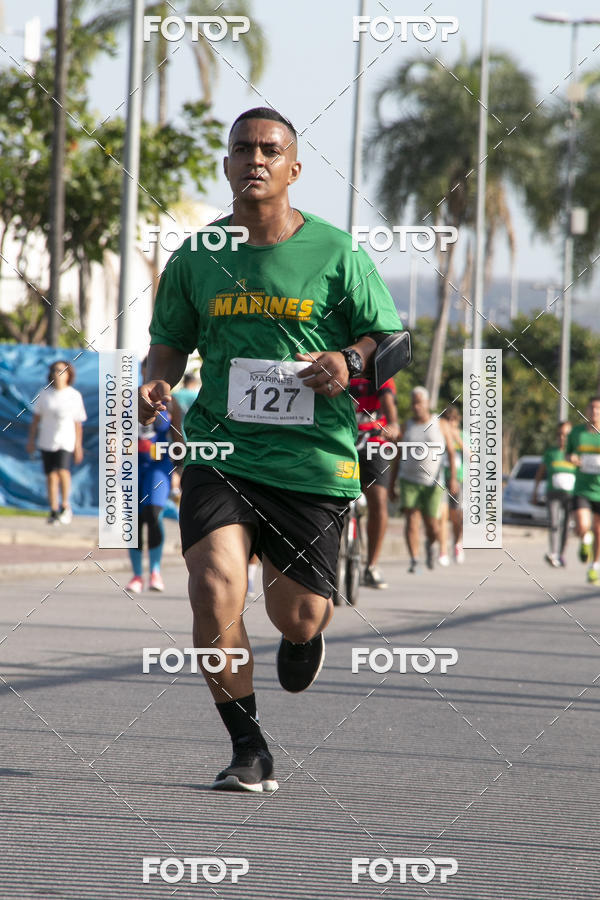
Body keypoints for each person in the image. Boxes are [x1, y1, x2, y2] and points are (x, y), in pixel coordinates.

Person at [138, 107, 403, 793]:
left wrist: (349, 359)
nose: (255, 159)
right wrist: (158, 381)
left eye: (269, 149)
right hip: (220, 451)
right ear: (227, 165)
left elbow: (391, 340)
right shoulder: (197, 256)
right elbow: (167, 342)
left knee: (297, 610)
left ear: (294, 168)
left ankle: (302, 636)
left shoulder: (337, 251)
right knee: (213, 585)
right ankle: (248, 748)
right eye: (242, 149)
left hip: (311, 461)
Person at [126, 359, 182, 594]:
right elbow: (113, 430)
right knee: (135, 520)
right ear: (140, 371)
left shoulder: (172, 403)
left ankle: (155, 571)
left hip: (159, 465)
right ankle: (137, 575)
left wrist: (179, 470)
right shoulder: (127, 397)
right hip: (132, 465)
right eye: (145, 369)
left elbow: (178, 437)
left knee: (153, 512)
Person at [389, 387, 457, 573]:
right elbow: (397, 456)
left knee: (432, 525)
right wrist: (391, 484)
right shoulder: (406, 426)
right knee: (411, 519)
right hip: (408, 479)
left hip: (433, 483)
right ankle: (414, 560)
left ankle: (430, 544)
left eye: (419, 402)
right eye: (413, 403)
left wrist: (453, 479)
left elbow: (451, 453)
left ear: (428, 404)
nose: (416, 406)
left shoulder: (440, 424)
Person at [349, 375, 400, 588]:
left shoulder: (380, 374)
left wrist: (394, 424)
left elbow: (388, 402)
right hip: (344, 440)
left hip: (374, 442)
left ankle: (371, 566)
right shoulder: (340, 368)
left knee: (378, 501)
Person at [27, 360, 86, 525]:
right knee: (51, 476)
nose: (57, 373)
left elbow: (78, 423)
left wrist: (78, 446)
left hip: (66, 441)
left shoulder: (74, 396)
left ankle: (65, 505)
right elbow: (35, 420)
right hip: (47, 440)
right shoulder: (44, 394)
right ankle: (53, 510)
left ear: (68, 374)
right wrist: (31, 440)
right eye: (54, 370)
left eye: (61, 370)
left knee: (62, 471)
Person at [566, 397, 600, 583]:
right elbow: (568, 453)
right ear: (586, 411)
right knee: (582, 525)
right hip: (582, 488)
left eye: (598, 409)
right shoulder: (577, 433)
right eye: (591, 408)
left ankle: (594, 566)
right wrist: (572, 459)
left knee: (599, 530)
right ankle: (585, 539)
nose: (594, 412)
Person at [532, 421, 574, 567]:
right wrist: (535, 492)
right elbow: (540, 473)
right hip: (553, 493)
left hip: (571, 495)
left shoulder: (575, 453)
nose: (562, 438)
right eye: (559, 435)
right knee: (554, 523)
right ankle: (554, 553)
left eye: (566, 435)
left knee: (566, 525)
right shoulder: (551, 453)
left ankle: (561, 554)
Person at [438, 405, 465, 565]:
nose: (450, 423)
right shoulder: (440, 433)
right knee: (443, 515)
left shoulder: (460, 434)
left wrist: (457, 439)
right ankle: (443, 551)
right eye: (447, 420)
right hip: (441, 477)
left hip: (458, 479)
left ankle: (457, 543)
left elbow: (469, 453)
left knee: (457, 516)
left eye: (453, 420)